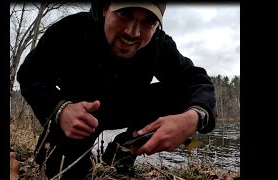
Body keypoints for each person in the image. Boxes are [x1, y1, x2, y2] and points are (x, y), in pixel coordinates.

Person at [17, 0, 216, 179]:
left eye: (148, 22)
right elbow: (30, 75)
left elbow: (197, 82)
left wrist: (192, 118)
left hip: (127, 108)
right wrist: (60, 110)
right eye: (125, 13)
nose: (133, 32)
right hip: (80, 118)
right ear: (104, 8)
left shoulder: (159, 44)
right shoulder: (70, 30)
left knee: (182, 95)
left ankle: (122, 152)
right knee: (59, 170)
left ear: (157, 26)